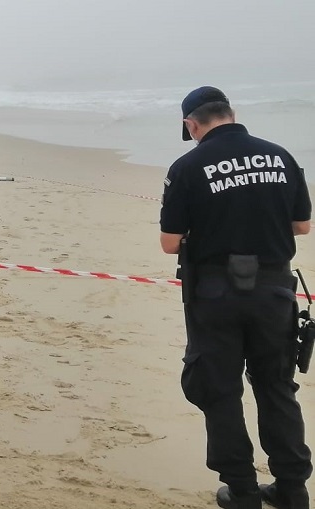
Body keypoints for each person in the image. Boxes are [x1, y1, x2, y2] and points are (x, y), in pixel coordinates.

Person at [160, 86, 312, 509]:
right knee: (277, 387)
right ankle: (292, 489)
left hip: (214, 293)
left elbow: (170, 243)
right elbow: (302, 226)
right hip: (274, 289)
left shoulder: (187, 167)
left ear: (192, 124)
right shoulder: (279, 157)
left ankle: (242, 491)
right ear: (231, 113)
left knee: (220, 390)